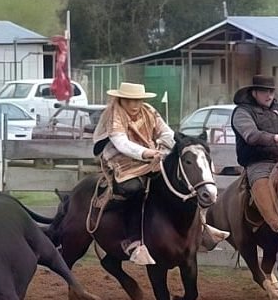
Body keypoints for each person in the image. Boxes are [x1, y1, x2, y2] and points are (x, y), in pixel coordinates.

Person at [92, 82, 227, 265]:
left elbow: (165, 133)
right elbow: (121, 143)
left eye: (137, 100)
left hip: (149, 155)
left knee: (184, 182)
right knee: (134, 188)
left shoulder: (148, 111)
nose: (134, 105)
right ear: (121, 99)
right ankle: (133, 240)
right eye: (130, 101)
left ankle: (201, 227)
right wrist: (145, 153)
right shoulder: (113, 114)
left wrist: (181, 146)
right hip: (119, 158)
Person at [231, 74, 278, 234]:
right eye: (264, 91)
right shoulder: (242, 112)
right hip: (258, 162)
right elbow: (251, 135)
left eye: (271, 91)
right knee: (261, 184)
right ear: (254, 92)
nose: (269, 95)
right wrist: (277, 138)